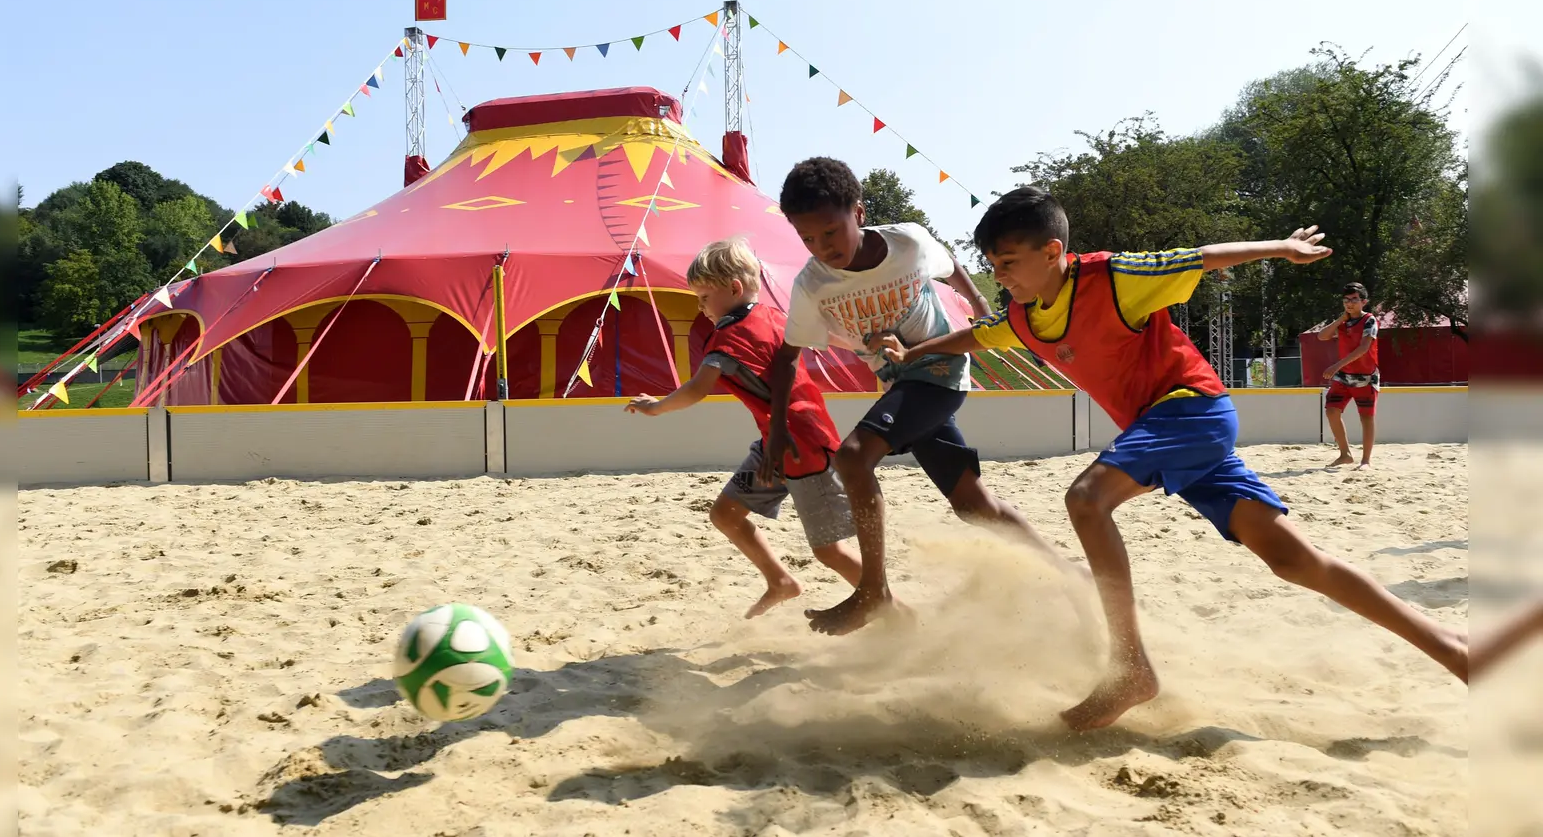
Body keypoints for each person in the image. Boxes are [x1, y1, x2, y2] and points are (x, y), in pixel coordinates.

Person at [880, 187, 1469, 730]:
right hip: (1172, 433)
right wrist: (913, 354)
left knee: (1085, 499)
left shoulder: (1114, 278)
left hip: (1192, 409)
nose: (997, 274)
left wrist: (1283, 249)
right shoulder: (1021, 317)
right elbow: (974, 338)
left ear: (1053, 251)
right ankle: (1456, 651)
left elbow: (1203, 256)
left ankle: (1131, 668)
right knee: (1296, 561)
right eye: (991, 262)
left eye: (1007, 262)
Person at [761, 157, 1076, 637]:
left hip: (940, 370)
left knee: (852, 456)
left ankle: (874, 591)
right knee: (973, 504)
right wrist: (776, 428)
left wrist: (981, 305)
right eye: (807, 239)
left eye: (830, 233)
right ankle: (1069, 576)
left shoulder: (907, 242)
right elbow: (786, 357)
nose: (821, 248)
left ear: (859, 213)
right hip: (900, 385)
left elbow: (950, 266)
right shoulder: (812, 284)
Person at [626, 238, 865, 618]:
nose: (699, 306)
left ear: (734, 288)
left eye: (704, 296)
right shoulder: (770, 314)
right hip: (777, 443)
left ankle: (885, 602)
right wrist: (866, 343)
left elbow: (697, 389)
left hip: (801, 446)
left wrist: (656, 407)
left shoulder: (728, 338)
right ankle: (781, 582)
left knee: (828, 550)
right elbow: (825, 334)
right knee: (725, 514)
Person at [1316, 282, 1380, 469]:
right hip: (1344, 377)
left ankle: (1366, 461)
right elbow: (1322, 336)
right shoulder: (1343, 322)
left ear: (1364, 301)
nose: (1349, 303)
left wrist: (1336, 365)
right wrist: (1339, 320)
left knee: (1366, 418)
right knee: (1331, 410)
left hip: (1365, 377)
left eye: (1354, 299)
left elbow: (1363, 348)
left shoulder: (1369, 320)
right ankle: (1345, 454)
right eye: (1346, 300)